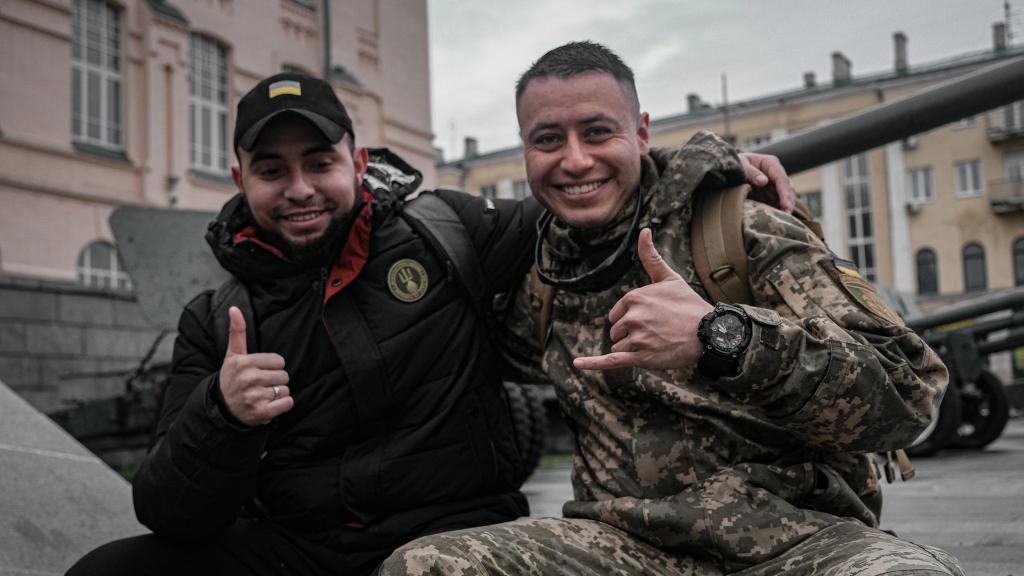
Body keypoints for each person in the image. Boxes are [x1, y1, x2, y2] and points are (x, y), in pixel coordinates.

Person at [66, 72, 792, 576]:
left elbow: (586, 192)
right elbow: (168, 509)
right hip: (301, 549)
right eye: (272, 170)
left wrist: (709, 168)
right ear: (240, 181)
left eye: (319, 162)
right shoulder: (220, 318)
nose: (299, 190)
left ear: (356, 161)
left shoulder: (448, 231)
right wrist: (221, 416)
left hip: (459, 538)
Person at [379, 42, 964, 575]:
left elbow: (908, 392)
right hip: (620, 550)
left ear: (641, 134)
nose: (575, 160)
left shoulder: (741, 229)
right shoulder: (542, 272)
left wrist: (724, 337)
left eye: (598, 132)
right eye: (548, 139)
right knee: (427, 567)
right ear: (526, 149)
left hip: (798, 545)